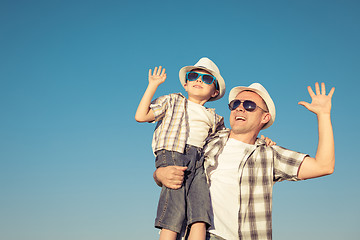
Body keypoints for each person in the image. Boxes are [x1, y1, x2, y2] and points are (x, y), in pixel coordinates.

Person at [154, 82, 335, 240]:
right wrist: (159, 174)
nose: (240, 108)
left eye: (249, 105)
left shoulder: (270, 155)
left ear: (264, 117)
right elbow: (177, 158)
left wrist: (323, 115)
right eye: (235, 104)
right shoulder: (209, 140)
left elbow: (324, 166)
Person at [135, 57, 226, 240]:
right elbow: (141, 116)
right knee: (174, 209)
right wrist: (153, 85)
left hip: (199, 161)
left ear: (214, 92)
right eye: (194, 76)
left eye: (207, 79)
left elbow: (231, 140)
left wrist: (263, 140)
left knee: (201, 211)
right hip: (173, 154)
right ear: (185, 85)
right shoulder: (172, 101)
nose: (199, 80)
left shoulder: (216, 118)